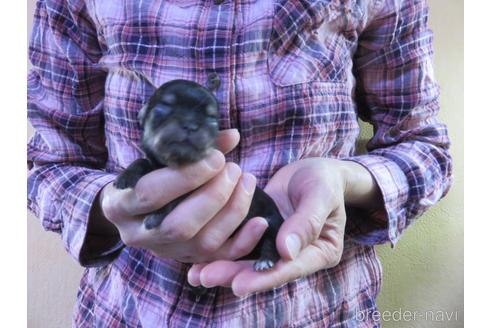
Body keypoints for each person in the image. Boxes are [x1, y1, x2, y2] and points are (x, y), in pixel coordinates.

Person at [27, 0, 452, 326]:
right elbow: (49, 163)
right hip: (130, 310)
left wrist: (344, 180)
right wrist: (110, 207)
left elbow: (424, 148)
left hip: (323, 309)